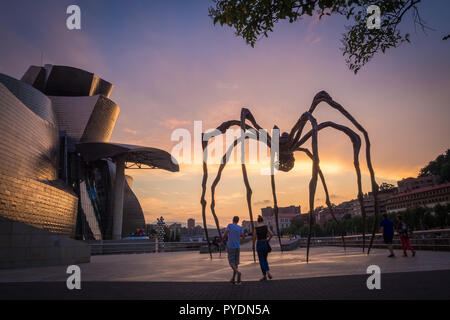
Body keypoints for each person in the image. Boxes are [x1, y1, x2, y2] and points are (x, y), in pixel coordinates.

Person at [223, 216, 244, 284]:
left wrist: (221, 241)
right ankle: (233, 278)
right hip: (237, 246)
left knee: (231, 262)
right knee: (236, 263)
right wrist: (237, 239)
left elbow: (225, 234)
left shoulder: (230, 225)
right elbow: (242, 237)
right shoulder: (240, 227)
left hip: (231, 246)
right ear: (238, 221)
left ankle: (238, 273)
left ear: (233, 220)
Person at [253, 215, 274, 281]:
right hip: (265, 243)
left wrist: (253, 245)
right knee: (265, 259)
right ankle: (268, 272)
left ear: (258, 221)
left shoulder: (256, 228)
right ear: (262, 221)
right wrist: (268, 240)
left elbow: (254, 237)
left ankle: (265, 275)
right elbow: (272, 234)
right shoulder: (266, 227)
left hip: (259, 243)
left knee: (261, 260)